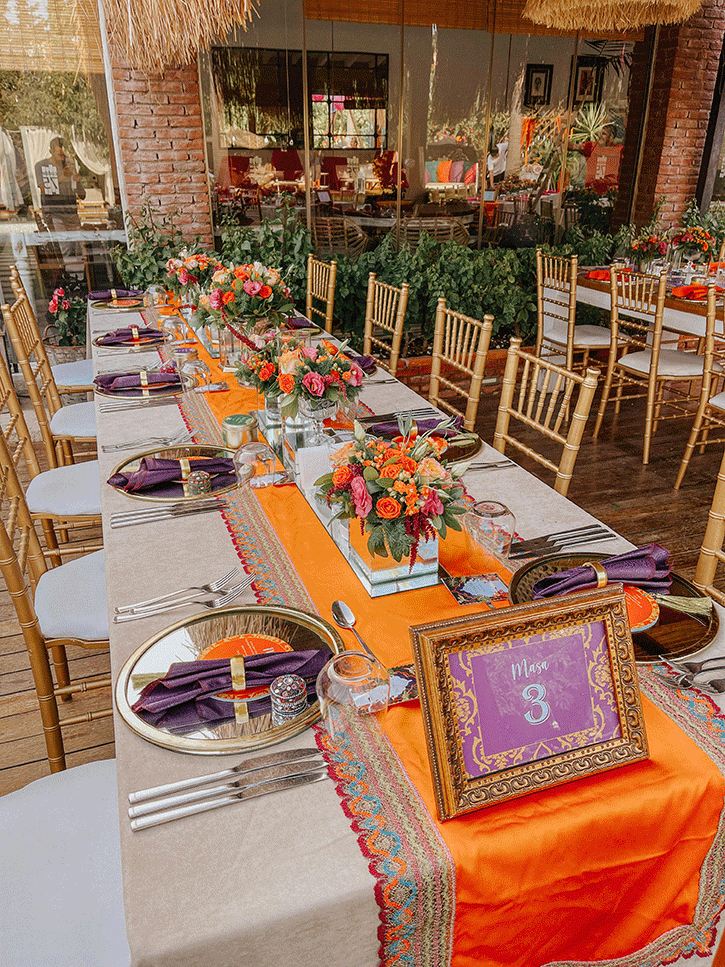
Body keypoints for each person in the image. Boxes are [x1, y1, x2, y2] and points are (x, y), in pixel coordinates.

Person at [35, 136, 86, 278]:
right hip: (54, 212)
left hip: (71, 212)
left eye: (64, 155)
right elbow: (44, 189)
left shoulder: (69, 166)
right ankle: (69, 279)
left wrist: (77, 181)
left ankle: (81, 279)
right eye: (59, 154)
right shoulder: (42, 166)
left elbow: (82, 195)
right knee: (65, 246)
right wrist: (62, 178)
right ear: (51, 151)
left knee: (79, 246)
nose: (62, 158)